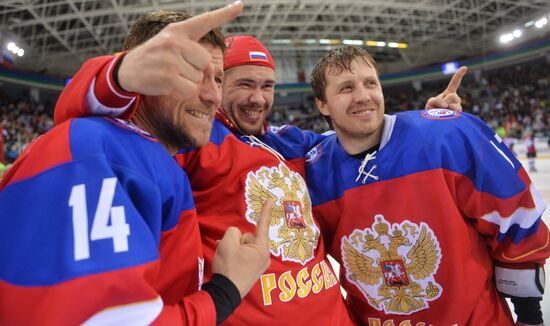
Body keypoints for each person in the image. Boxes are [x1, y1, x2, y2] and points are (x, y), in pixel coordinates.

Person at [53, 33, 465, 325]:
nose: (258, 98)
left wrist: (420, 127)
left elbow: (358, 138)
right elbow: (90, 115)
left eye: (267, 86)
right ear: (215, 86)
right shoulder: (195, 138)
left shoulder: (293, 142)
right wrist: (121, 73)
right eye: (243, 84)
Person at [0, 3, 274, 325]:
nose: (213, 95)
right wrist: (226, 290)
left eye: (217, 79)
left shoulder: (153, 160)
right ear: (147, 72)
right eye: (193, 75)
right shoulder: (96, 149)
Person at [306, 46, 550, 325]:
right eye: (346, 88)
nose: (363, 97)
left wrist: (529, 314)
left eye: (370, 83)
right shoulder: (314, 169)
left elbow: (513, 214)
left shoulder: (447, 137)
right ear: (322, 104)